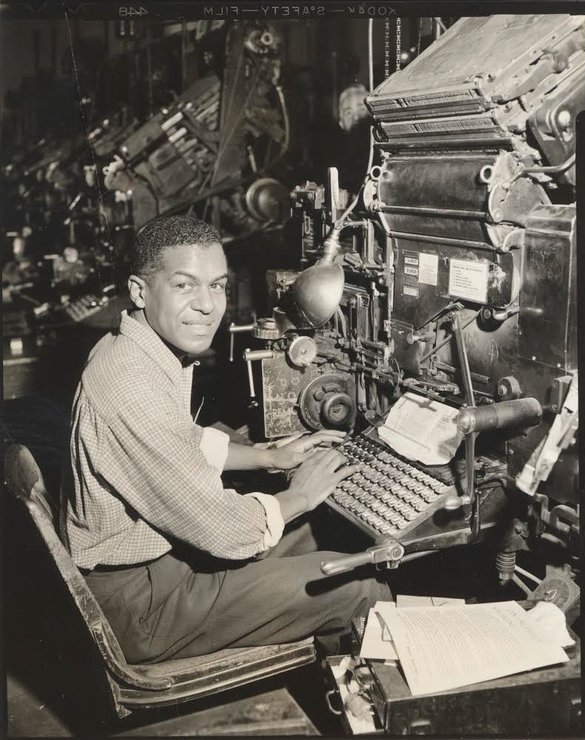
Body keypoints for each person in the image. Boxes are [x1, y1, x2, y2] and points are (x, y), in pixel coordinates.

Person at [60, 214, 391, 664]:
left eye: (217, 285)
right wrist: (300, 495)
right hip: (139, 605)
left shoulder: (131, 347)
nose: (207, 305)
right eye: (184, 285)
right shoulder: (129, 384)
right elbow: (222, 530)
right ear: (140, 290)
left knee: (324, 538)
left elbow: (176, 442)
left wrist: (264, 457)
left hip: (157, 565)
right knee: (353, 584)